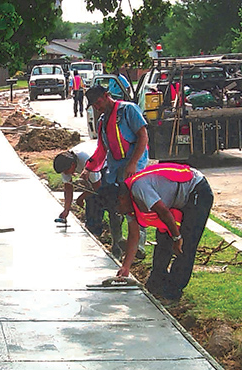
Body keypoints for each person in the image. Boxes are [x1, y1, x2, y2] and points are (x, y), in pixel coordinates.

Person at [115, 163, 213, 301]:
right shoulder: (128, 203)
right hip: (176, 200)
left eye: (118, 208)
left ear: (121, 199)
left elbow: (163, 212)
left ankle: (173, 292)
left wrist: (177, 237)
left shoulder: (139, 188)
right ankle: (156, 283)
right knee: (162, 240)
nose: (119, 212)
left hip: (197, 190)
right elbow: (134, 236)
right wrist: (126, 267)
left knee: (186, 245)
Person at [81, 85, 149, 260]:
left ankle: (139, 245)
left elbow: (143, 136)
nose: (97, 107)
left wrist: (133, 163)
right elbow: (102, 150)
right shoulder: (102, 121)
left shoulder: (128, 110)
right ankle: (118, 245)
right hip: (115, 168)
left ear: (106, 96)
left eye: (98, 103)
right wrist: (89, 168)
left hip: (134, 165)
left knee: (136, 203)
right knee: (114, 205)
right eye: (94, 106)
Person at [53, 142, 102, 233]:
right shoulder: (66, 161)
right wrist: (66, 209)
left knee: (95, 199)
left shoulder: (87, 161)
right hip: (91, 166)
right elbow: (68, 187)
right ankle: (90, 226)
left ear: (72, 165)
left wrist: (81, 197)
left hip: (105, 162)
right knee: (90, 196)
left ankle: (95, 231)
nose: (66, 174)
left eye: (66, 171)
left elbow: (97, 186)